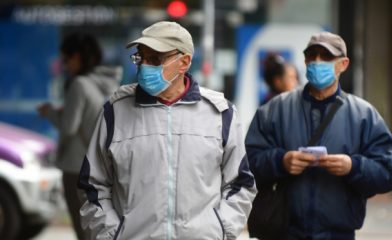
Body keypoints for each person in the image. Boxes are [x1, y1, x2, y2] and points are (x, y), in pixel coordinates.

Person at [77, 21, 257, 240]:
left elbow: (240, 184)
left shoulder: (220, 113)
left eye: (154, 59)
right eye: (140, 58)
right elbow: (92, 186)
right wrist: (112, 234)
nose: (144, 66)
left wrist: (220, 231)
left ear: (184, 62)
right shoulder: (115, 111)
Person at [245, 31, 392, 240]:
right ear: (305, 60)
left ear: (343, 64)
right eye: (312, 56)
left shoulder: (364, 115)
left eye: (326, 57)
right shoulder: (274, 110)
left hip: (339, 234)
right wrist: (281, 161)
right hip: (283, 231)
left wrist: (353, 167)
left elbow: (387, 175)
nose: (317, 62)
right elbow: (247, 164)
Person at [37, 32, 122, 240]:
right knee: (100, 226)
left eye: (65, 59)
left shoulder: (79, 84)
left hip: (77, 168)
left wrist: (50, 112)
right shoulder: (110, 85)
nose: (65, 66)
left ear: (76, 57)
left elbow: (68, 127)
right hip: (105, 167)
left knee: (82, 227)